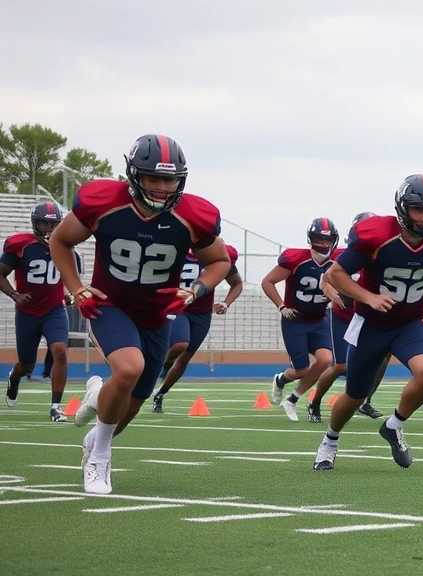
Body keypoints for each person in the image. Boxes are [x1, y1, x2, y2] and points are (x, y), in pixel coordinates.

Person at [51, 134, 229, 494]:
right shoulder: (103, 203)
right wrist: (76, 286)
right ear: (134, 175)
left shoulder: (194, 214)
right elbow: (60, 240)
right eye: (154, 178)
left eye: (171, 179)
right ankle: (99, 457)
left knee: (135, 399)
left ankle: (97, 404)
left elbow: (220, 261)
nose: (163, 188)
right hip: (109, 304)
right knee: (129, 368)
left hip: (157, 313)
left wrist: (197, 289)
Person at [314, 174, 423, 470]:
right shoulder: (378, 236)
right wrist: (368, 297)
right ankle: (330, 440)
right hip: (371, 324)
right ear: (403, 209)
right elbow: (335, 275)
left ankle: (394, 425)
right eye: (419, 209)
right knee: (355, 395)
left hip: (411, 321)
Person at [1, 202, 81, 421]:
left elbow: (72, 281)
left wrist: (70, 294)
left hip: (54, 310)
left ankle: (56, 407)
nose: (48, 227)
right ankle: (15, 377)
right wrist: (15, 295)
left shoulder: (67, 248)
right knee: (27, 364)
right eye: (43, 223)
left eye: (53, 223)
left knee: (60, 351)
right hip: (27, 313)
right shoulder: (21, 245)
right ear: (34, 223)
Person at [306, 212, 385, 423]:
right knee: (341, 366)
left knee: (383, 359)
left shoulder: (385, 253)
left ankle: (364, 401)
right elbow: (326, 279)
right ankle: (314, 402)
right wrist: (330, 292)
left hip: (369, 318)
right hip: (344, 315)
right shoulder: (345, 254)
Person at [262, 218, 343, 421]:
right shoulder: (296, 258)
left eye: (328, 240)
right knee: (301, 370)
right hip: (295, 320)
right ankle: (281, 379)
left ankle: (293, 398)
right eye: (319, 239)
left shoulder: (339, 260)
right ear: (310, 239)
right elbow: (268, 281)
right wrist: (281, 306)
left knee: (325, 360)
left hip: (318, 320)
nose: (324, 244)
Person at [151, 245, 242, 412]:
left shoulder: (222, 254)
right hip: (179, 308)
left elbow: (236, 284)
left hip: (202, 313)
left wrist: (226, 302)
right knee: (181, 344)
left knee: (185, 357)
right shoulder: (177, 248)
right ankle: (160, 366)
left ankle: (161, 393)